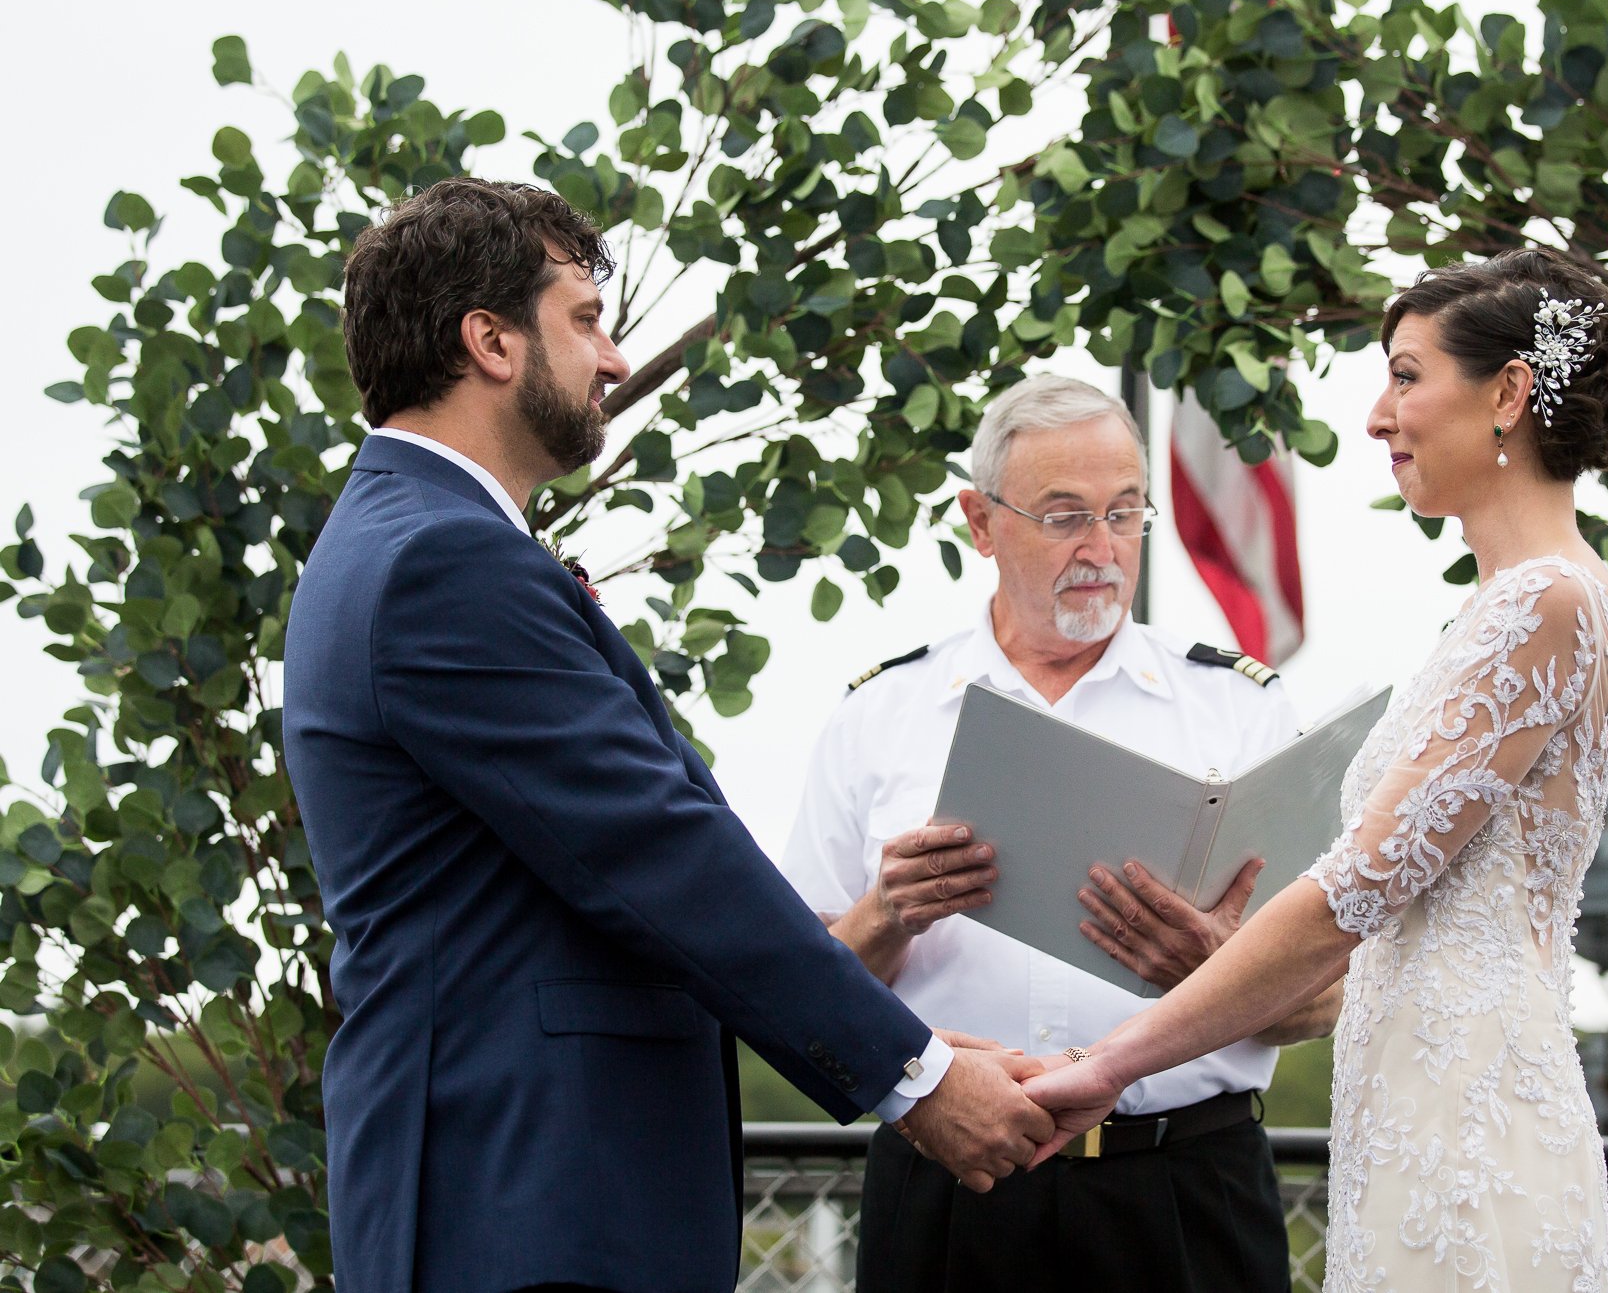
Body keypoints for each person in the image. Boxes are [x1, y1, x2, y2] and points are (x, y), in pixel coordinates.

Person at [282, 178, 1051, 1293]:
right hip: (522, 1205)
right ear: (488, 341)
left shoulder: (407, 541)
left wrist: (903, 1041)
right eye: (584, 320)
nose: (613, 360)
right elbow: (657, 853)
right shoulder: (440, 563)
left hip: (528, 1192)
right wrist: (915, 1077)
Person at [1024, 248, 1608, 1291]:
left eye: (1405, 376)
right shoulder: (1541, 603)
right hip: (1417, 1104)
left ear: (1507, 393)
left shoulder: (1544, 604)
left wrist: (1108, 1064)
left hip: (1466, 1126)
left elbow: (1346, 896)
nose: (1374, 416)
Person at [779, 374, 1344, 1293]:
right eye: (1065, 515)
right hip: (947, 1188)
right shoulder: (883, 713)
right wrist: (888, 912)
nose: (1102, 548)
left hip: (1183, 1190)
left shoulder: (1237, 710)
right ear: (979, 519)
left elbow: (1328, 997)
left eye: (1126, 513)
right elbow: (796, 989)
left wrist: (1217, 969)